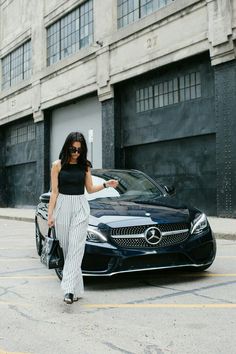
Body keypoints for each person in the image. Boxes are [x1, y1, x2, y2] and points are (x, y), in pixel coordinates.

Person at [47, 131, 118, 304]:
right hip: (63, 206)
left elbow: (90, 189)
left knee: (76, 248)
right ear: (67, 147)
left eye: (79, 149)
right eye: (73, 149)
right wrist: (50, 215)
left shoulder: (85, 165)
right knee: (67, 248)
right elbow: (54, 192)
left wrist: (105, 184)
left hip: (80, 206)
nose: (76, 152)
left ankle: (68, 290)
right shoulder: (57, 165)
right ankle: (77, 289)